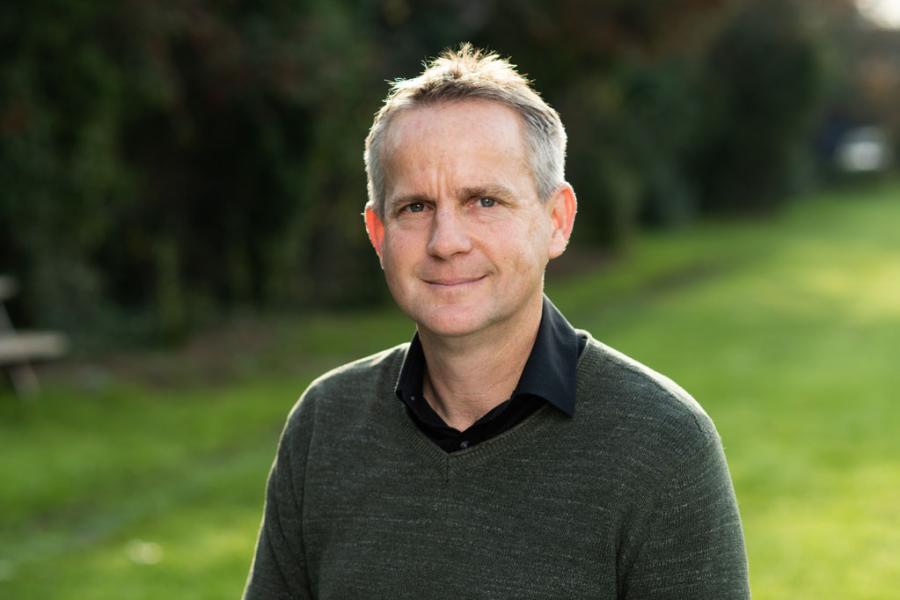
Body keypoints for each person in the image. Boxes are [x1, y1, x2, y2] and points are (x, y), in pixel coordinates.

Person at [243, 44, 750, 599]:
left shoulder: (661, 443)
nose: (447, 242)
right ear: (378, 233)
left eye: (483, 201)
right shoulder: (326, 424)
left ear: (556, 221)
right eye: (415, 207)